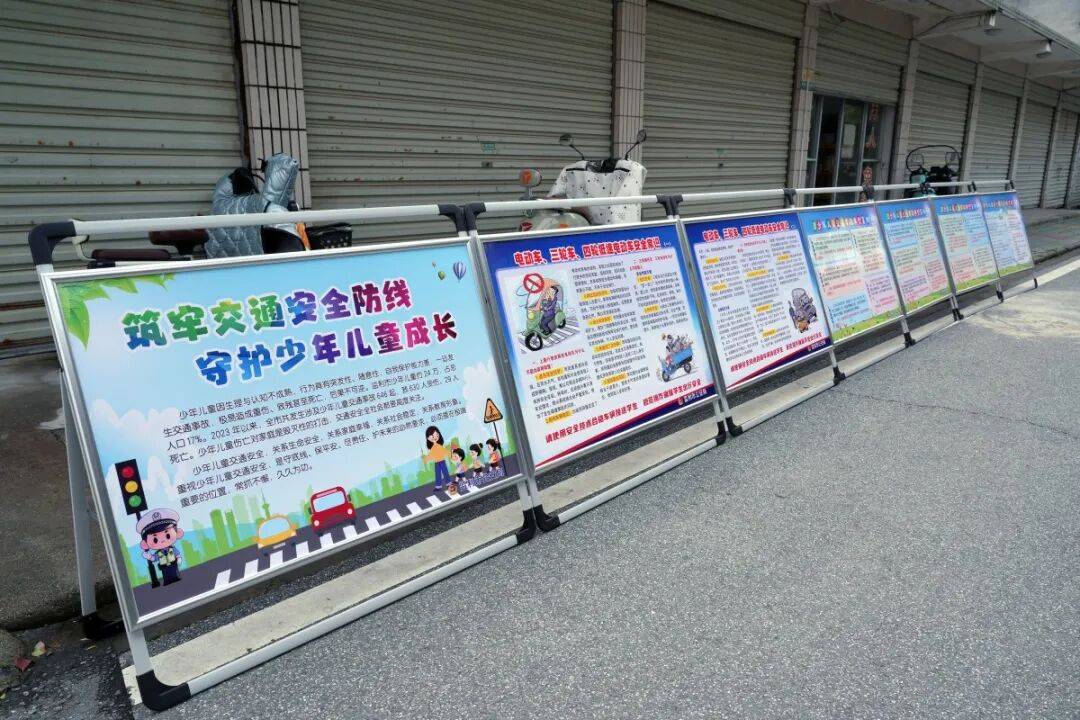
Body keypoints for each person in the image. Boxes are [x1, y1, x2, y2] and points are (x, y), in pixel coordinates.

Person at [137, 508, 185, 586]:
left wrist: (179, 558)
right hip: (164, 566)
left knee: (174, 572)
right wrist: (149, 557)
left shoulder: (172, 549)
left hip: (173, 564)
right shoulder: (158, 553)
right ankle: (167, 581)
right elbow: (154, 558)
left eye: (168, 535)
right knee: (166, 575)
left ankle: (175, 578)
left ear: (178, 533)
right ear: (145, 543)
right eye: (155, 539)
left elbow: (177, 554)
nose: (162, 540)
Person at [423, 425, 451, 492]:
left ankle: (448, 483)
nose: (435, 438)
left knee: (445, 473)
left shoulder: (439, 446)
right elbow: (430, 455)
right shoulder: (432, 448)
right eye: (432, 437)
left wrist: (450, 454)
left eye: (437, 435)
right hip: (436, 463)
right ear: (428, 438)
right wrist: (426, 459)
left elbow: (445, 451)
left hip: (442, 461)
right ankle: (438, 486)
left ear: (439, 435)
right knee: (438, 474)